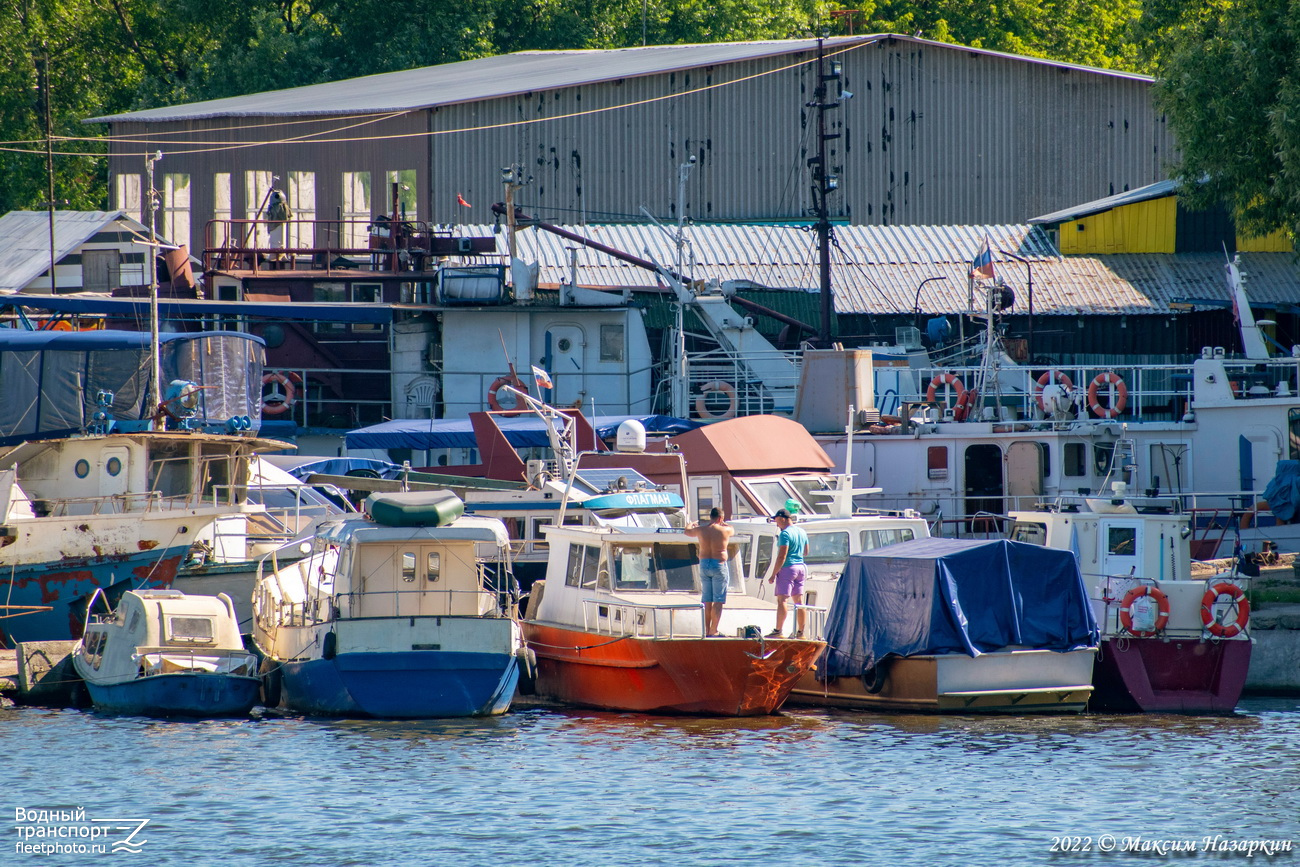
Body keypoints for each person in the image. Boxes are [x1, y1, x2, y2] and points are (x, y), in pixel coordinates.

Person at [685, 507, 735, 637]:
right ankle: (714, 630)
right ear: (720, 518)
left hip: (704, 565)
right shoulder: (725, 530)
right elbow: (732, 530)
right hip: (718, 565)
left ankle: (707, 630)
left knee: (707, 600)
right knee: (718, 600)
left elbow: (687, 531)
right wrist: (724, 523)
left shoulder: (701, 530)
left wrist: (691, 523)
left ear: (710, 517)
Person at [765, 508, 809, 638]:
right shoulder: (802, 531)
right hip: (801, 567)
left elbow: (781, 556)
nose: (776, 524)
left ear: (782, 519)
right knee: (799, 601)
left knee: (782, 600)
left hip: (788, 568)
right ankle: (801, 632)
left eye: (777, 521)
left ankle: (778, 631)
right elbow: (806, 552)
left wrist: (773, 574)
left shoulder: (785, 534)